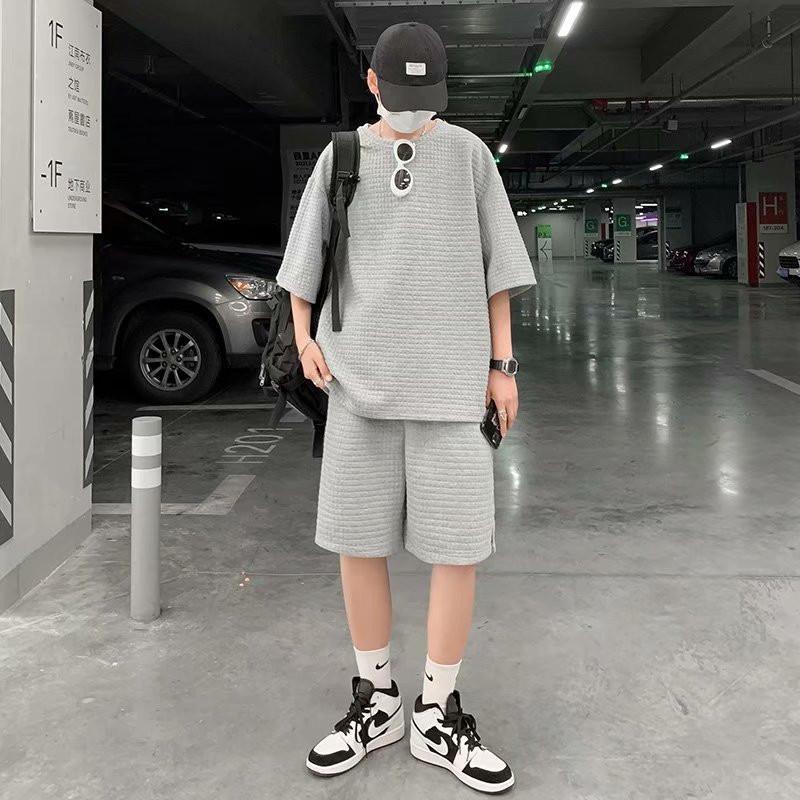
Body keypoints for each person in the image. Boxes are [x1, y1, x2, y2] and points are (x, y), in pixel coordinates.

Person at [276, 20, 535, 794]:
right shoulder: (343, 156)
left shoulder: (470, 155)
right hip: (357, 388)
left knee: (459, 550)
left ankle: (436, 710)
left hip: (454, 393)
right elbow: (304, 260)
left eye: (429, 96)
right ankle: (379, 699)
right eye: (400, 91)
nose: (415, 107)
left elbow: (497, 269)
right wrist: (303, 337)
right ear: (373, 83)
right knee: (358, 545)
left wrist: (502, 366)